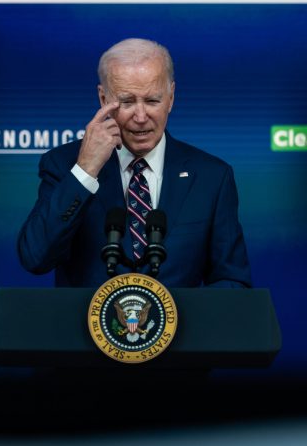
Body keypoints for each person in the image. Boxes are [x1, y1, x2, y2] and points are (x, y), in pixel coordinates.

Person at [18, 38, 252, 288]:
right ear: (103, 98)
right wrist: (85, 170)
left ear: (171, 98)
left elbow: (232, 281)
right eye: (127, 102)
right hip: (85, 326)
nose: (141, 117)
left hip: (181, 327)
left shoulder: (212, 176)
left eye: (152, 101)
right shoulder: (64, 165)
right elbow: (35, 258)